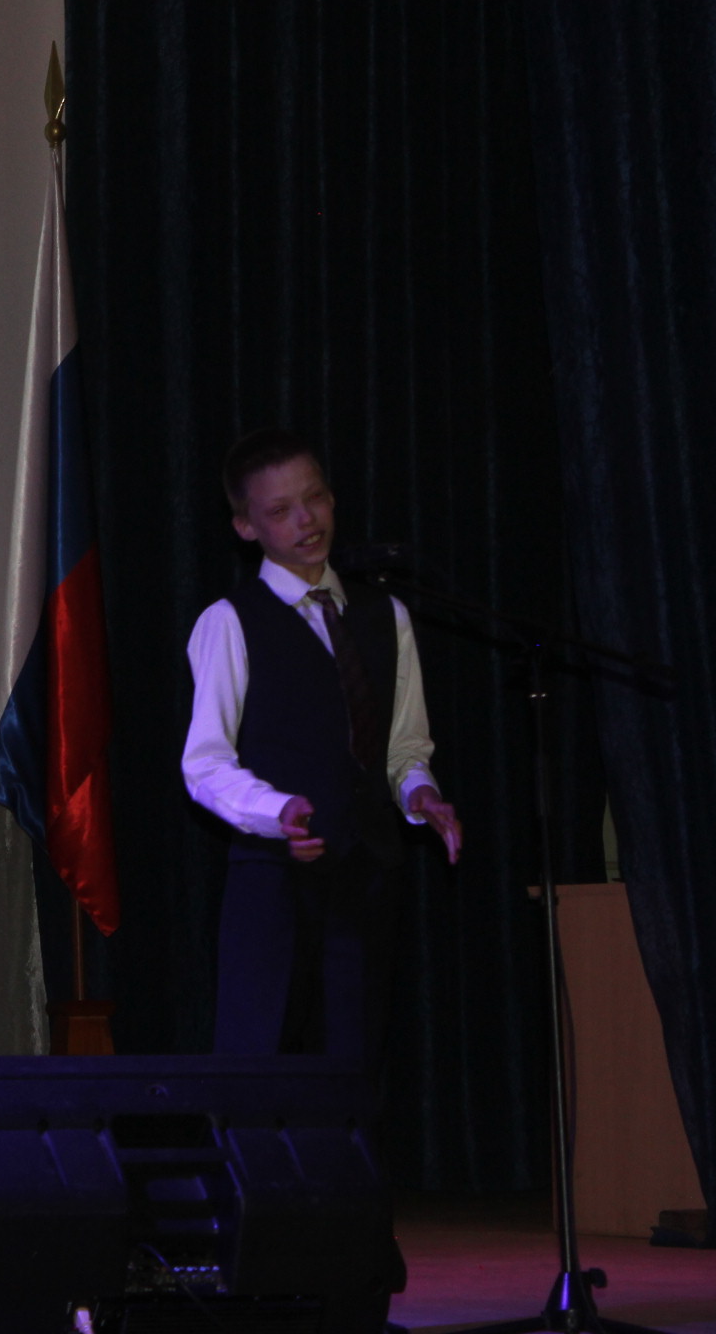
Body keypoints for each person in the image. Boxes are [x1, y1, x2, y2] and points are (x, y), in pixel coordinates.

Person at [184, 429, 464, 1063]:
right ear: (246, 526)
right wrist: (276, 810)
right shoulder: (229, 621)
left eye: (314, 498)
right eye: (281, 510)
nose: (306, 520)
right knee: (261, 1066)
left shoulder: (386, 614)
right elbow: (205, 764)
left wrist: (420, 793)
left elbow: (403, 745)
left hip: (366, 878)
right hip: (274, 884)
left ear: (333, 499)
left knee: (353, 1069)